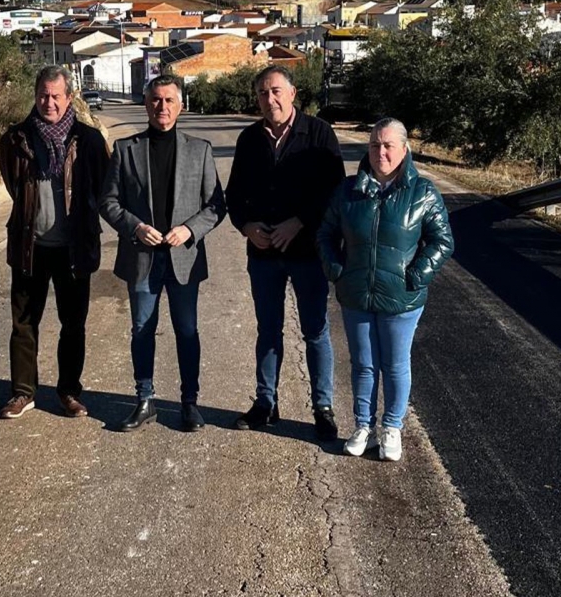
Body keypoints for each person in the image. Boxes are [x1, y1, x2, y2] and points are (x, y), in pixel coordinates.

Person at [317, 118, 454, 461]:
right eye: (375, 145)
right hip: (357, 294)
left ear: (404, 149)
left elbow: (442, 240)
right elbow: (325, 235)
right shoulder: (348, 191)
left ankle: (392, 427)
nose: (381, 152)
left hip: (402, 299)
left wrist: (416, 275)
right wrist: (337, 270)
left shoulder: (422, 192)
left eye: (389, 145)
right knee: (363, 364)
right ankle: (363, 425)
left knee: (394, 364)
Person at [100, 74, 226, 432]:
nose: (162, 107)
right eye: (156, 100)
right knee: (141, 329)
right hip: (142, 257)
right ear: (146, 104)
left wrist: (189, 230)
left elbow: (216, 205)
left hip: (183, 258)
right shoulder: (126, 150)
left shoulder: (199, 150)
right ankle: (145, 399)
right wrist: (134, 227)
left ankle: (189, 403)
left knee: (187, 330)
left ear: (181, 105)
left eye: (170, 100)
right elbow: (107, 201)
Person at [225, 65, 344, 440]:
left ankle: (322, 408)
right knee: (268, 330)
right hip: (263, 255)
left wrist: (301, 222)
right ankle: (265, 403)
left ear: (293, 94)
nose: (270, 99)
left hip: (307, 251)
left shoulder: (319, 133)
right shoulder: (249, 139)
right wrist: (246, 226)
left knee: (315, 330)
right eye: (263, 93)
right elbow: (234, 196)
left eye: (276, 91)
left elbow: (334, 191)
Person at [0, 65, 109, 419]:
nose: (49, 102)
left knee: (73, 324)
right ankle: (22, 392)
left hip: (74, 248)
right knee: (24, 323)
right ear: (35, 96)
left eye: (56, 96)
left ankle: (69, 392)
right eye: (43, 95)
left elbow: (102, 189)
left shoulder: (89, 141)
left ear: (69, 97)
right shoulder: (16, 139)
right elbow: (13, 185)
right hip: (31, 247)